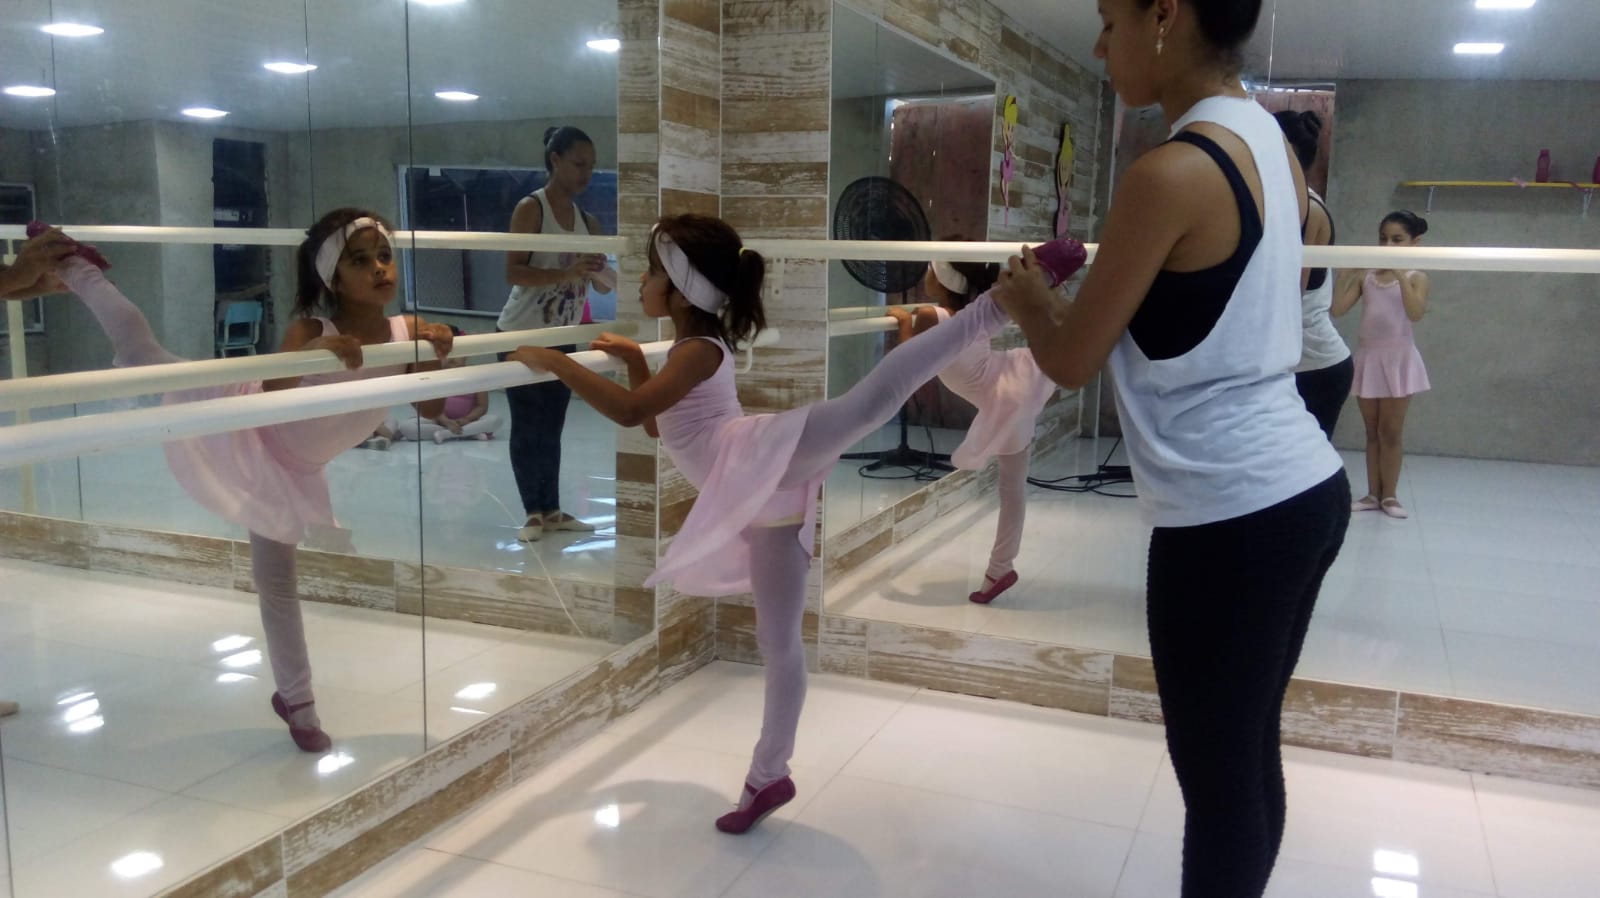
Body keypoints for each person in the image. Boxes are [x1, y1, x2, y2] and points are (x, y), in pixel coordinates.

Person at [510, 214, 1085, 835]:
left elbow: (628, 415)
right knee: (778, 639)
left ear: (680, 288)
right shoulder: (689, 351)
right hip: (762, 493)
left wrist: (558, 362)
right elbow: (656, 423)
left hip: (761, 457)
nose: (643, 281)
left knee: (873, 399)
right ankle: (769, 775)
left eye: (652, 271)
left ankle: (999, 304)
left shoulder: (699, 350)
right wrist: (632, 362)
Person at [989, 1, 1349, 894]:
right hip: (1301, 487)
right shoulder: (1270, 142)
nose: (1101, 45)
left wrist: (1030, 302)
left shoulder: (1169, 172)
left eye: (1110, 21)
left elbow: (1070, 360)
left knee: (1219, 784)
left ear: (1165, 14)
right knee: (1245, 753)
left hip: (1230, 514)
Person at [21, 210, 453, 753]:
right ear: (333, 278)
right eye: (360, 261)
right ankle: (75, 265)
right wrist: (314, 353)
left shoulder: (407, 330)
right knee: (140, 354)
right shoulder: (313, 330)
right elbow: (272, 390)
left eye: (384, 256)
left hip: (296, 469)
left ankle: (295, 700)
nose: (379, 269)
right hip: (244, 427)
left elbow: (432, 407)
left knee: (277, 583)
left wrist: (436, 354)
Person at [887, 253, 1055, 604]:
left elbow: (909, 362)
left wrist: (903, 322)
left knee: (1012, 488)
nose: (926, 274)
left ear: (944, 280)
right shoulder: (973, 313)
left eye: (931, 269)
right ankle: (999, 569)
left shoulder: (932, 315)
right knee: (1013, 488)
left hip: (1006, 392)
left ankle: (1001, 568)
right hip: (1013, 384)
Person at [499, 125, 614, 543]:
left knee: (552, 426)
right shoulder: (532, 208)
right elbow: (513, 271)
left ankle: (551, 509)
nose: (586, 174)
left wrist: (600, 272)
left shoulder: (589, 221)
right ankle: (533, 511)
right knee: (527, 425)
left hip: (560, 335)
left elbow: (603, 285)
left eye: (591, 166)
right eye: (579, 164)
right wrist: (566, 273)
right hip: (520, 335)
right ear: (555, 160)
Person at [1333, 211, 1431, 519]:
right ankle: (1373, 494)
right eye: (1383, 238)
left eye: (1397, 239)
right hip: (1369, 358)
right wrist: (1346, 275)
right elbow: (1337, 309)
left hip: (1398, 360)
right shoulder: (1368, 276)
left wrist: (1400, 274)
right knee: (1372, 431)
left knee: (1390, 431)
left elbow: (1415, 313)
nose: (1388, 245)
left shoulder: (1416, 277)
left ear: (1414, 243)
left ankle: (1390, 495)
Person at [1274, 109, 1352, 439]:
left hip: (1315, 367)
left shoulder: (1307, 208)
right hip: (1297, 365)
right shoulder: (1282, 203)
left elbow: (1288, 297)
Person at [388, 328, 502, 443]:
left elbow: (482, 407)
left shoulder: (475, 376)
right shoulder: (434, 376)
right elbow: (429, 405)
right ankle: (468, 433)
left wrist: (467, 419)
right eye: (448, 354)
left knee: (495, 420)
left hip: (468, 421)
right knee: (407, 427)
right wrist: (446, 421)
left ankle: (449, 434)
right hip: (438, 422)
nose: (452, 358)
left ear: (467, 355)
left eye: (457, 354)